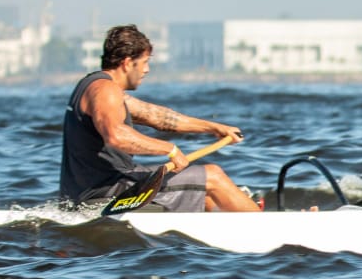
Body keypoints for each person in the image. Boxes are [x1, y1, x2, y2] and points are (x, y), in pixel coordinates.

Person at [60, 24, 259, 212]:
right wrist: (170, 149)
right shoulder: (106, 91)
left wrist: (214, 128)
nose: (146, 70)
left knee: (203, 193)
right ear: (128, 63)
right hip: (108, 191)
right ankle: (265, 226)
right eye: (145, 62)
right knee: (213, 176)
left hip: (93, 188)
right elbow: (116, 136)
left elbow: (157, 117)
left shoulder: (95, 87)